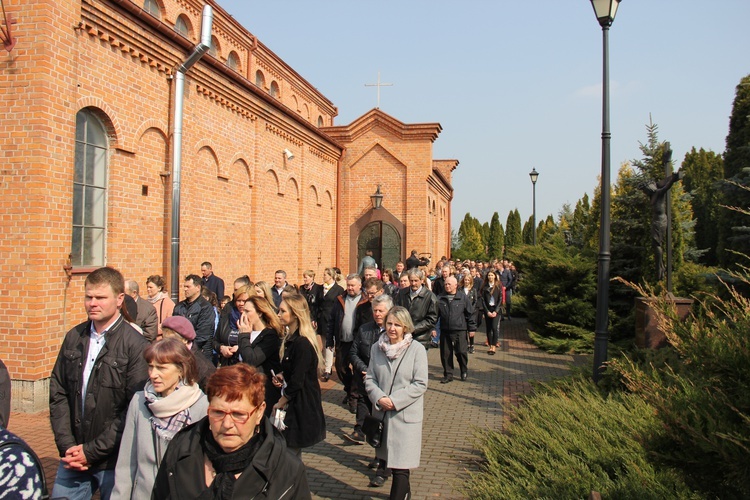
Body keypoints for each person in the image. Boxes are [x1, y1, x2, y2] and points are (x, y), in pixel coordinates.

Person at [49, 266, 149, 500]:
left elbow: (133, 408)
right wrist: (67, 445)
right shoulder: (74, 337)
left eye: (100, 297)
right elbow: (59, 392)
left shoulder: (135, 345)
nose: (92, 303)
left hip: (114, 461)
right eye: (88, 297)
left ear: (119, 299)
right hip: (73, 456)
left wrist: (92, 451)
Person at [151, 364, 311, 499]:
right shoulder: (181, 449)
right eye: (218, 413)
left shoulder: (286, 470)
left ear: (260, 412)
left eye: (238, 414)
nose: (227, 424)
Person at [111, 338, 208, 499]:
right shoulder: (139, 401)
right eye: (151, 367)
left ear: (181, 369)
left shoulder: (201, 406)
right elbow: (126, 463)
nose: (153, 374)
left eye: (161, 368)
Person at [365, 306, 428, 500]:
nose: (392, 328)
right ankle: (406, 494)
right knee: (391, 462)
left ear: (406, 327)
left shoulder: (417, 350)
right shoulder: (377, 348)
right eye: (389, 323)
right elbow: (369, 378)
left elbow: (420, 383)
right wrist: (379, 398)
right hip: (383, 416)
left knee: (401, 468)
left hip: (405, 417)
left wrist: (394, 401)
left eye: (397, 325)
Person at [347, 294, 394, 487]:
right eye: (375, 310)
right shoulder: (365, 329)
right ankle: (378, 455)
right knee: (373, 425)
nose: (377, 314)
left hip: (386, 388)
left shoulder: (394, 332)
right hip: (366, 383)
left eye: (381, 310)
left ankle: (384, 469)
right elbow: (353, 352)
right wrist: (363, 369)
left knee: (386, 427)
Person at [272, 293, 326, 456]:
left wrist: (281, 402)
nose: (279, 315)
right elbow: (294, 369)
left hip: (300, 404)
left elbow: (298, 379)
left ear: (295, 314)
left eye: (283, 311)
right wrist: (282, 373)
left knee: (290, 452)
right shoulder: (290, 339)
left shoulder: (302, 343)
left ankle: (293, 481)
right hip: (294, 401)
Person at [328, 274, 369, 414]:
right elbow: (332, 320)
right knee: (340, 367)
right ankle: (349, 389)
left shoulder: (365, 301)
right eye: (349, 285)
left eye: (353, 285)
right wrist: (329, 340)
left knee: (357, 370)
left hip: (358, 341)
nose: (350, 288)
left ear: (359, 286)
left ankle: (354, 398)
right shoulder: (340, 299)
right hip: (342, 340)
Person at [236, 295, 283, 415]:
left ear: (260, 313)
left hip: (265, 391)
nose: (243, 314)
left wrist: (244, 336)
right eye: (243, 311)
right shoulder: (246, 332)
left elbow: (252, 359)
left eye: (247, 311)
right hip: (247, 388)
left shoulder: (269, 335)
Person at [436, 276, 476, 383]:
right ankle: (448, 374)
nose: (447, 286)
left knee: (461, 352)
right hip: (445, 330)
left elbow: (470, 314)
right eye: (445, 284)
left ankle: (463, 369)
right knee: (445, 354)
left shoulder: (463, 298)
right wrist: (432, 328)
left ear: (455, 285)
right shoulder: (440, 298)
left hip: (460, 329)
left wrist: (472, 328)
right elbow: (435, 315)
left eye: (449, 284)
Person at [161, 315, 216, 393]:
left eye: (172, 341)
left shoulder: (204, 368)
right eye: (164, 340)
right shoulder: (163, 358)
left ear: (185, 340)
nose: (166, 345)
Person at [173, 274, 216, 362]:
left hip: (200, 354)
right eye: (184, 286)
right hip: (179, 352)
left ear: (198, 288)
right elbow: (173, 328)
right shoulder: (179, 306)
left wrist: (187, 347)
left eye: (188, 286)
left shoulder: (205, 307)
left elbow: (203, 334)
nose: (185, 289)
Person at [394, 268, 438, 347]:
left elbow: (432, 319)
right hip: (402, 336)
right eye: (411, 280)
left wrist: (414, 329)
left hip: (421, 338)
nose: (413, 283)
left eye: (416, 281)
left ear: (421, 280)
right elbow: (396, 310)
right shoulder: (402, 293)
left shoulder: (430, 297)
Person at [214, 285, 250, 367]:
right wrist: (221, 348)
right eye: (238, 300)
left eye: (244, 301)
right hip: (227, 365)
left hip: (246, 367)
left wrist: (240, 349)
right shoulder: (226, 318)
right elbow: (215, 341)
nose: (241, 304)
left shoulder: (255, 320)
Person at [319, 267, 344, 382]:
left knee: (331, 345)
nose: (323, 276)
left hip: (333, 319)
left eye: (325, 274)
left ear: (331, 276)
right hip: (322, 320)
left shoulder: (338, 289)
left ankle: (328, 368)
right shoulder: (321, 288)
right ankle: (326, 367)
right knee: (325, 345)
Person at [145, 275, 175, 341]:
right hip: (147, 338)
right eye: (147, 287)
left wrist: (154, 330)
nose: (148, 289)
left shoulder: (167, 302)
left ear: (159, 288)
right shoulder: (146, 302)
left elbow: (170, 322)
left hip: (161, 339)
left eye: (150, 287)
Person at [481, 270, 502, 354]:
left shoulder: (498, 286)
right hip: (488, 309)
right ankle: (490, 346)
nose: (490, 277)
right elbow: (483, 300)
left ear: (495, 276)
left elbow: (500, 299)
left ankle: (494, 345)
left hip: (496, 309)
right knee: (488, 329)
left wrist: (496, 311)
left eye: (492, 275)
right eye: (489, 275)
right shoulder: (484, 287)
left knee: (494, 327)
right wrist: (487, 311)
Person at [461, 273, 480, 353]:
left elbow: (475, 300)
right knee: (463, 329)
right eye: (465, 280)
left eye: (468, 280)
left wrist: (471, 309)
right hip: (462, 312)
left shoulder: (473, 290)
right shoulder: (460, 289)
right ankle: (465, 345)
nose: (466, 281)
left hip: (471, 312)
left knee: (471, 329)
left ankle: (471, 345)